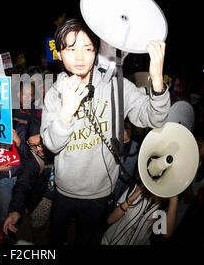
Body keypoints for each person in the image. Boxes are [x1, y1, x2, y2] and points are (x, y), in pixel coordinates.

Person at [41, 18, 170, 245]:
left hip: (100, 193)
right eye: (71, 49)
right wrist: (65, 114)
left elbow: (154, 118)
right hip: (65, 191)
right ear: (59, 54)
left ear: (96, 51)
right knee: (56, 239)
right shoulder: (54, 93)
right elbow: (51, 145)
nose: (80, 57)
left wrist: (157, 81)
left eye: (87, 48)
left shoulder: (116, 84)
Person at [2, 115, 55, 244]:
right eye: (33, 146)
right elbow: (22, 184)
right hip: (42, 199)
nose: (38, 150)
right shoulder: (32, 161)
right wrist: (15, 211)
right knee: (38, 225)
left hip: (64, 197)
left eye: (41, 144)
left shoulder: (63, 149)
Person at [101, 183, 178, 245]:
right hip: (108, 241)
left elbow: (167, 234)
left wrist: (174, 196)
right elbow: (110, 220)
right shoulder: (136, 188)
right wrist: (130, 200)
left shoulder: (165, 206)